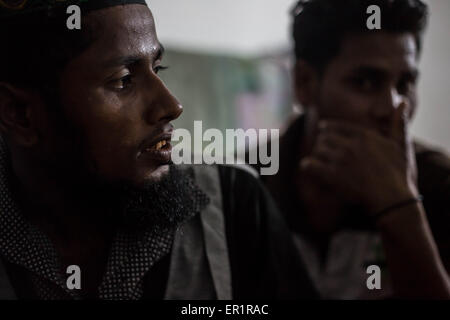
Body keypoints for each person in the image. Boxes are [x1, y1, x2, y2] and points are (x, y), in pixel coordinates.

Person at [0, 0, 317, 300]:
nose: (172, 106)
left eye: (158, 68)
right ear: (19, 113)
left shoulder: (232, 201)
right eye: (123, 81)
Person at [252, 0, 450, 299]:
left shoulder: (440, 183)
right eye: (365, 82)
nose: (392, 109)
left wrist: (399, 206)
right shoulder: (244, 183)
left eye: (405, 83)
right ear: (304, 83)